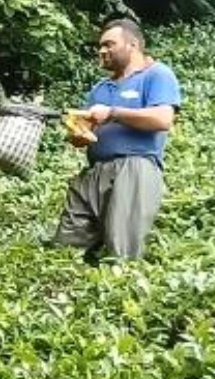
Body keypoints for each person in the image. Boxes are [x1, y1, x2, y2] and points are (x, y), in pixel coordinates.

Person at [53, 18, 181, 260]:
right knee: (65, 246)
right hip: (95, 171)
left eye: (109, 44)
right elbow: (88, 131)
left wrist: (113, 113)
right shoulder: (100, 89)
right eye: (100, 46)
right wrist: (78, 135)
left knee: (122, 250)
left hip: (135, 167)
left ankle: (124, 285)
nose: (102, 51)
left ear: (133, 45)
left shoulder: (157, 74)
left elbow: (163, 119)